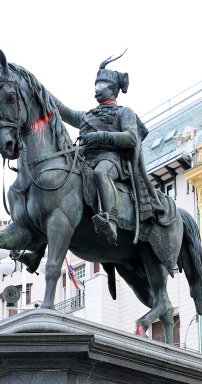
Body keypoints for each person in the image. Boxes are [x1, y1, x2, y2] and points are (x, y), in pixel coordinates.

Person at [51, 53, 163, 246]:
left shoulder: (124, 112)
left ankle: (110, 220)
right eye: (95, 86)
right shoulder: (87, 115)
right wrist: (39, 89)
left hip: (112, 160)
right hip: (85, 159)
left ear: (112, 88)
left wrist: (99, 136)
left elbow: (130, 138)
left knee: (101, 174)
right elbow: (64, 111)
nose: (95, 90)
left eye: (100, 86)